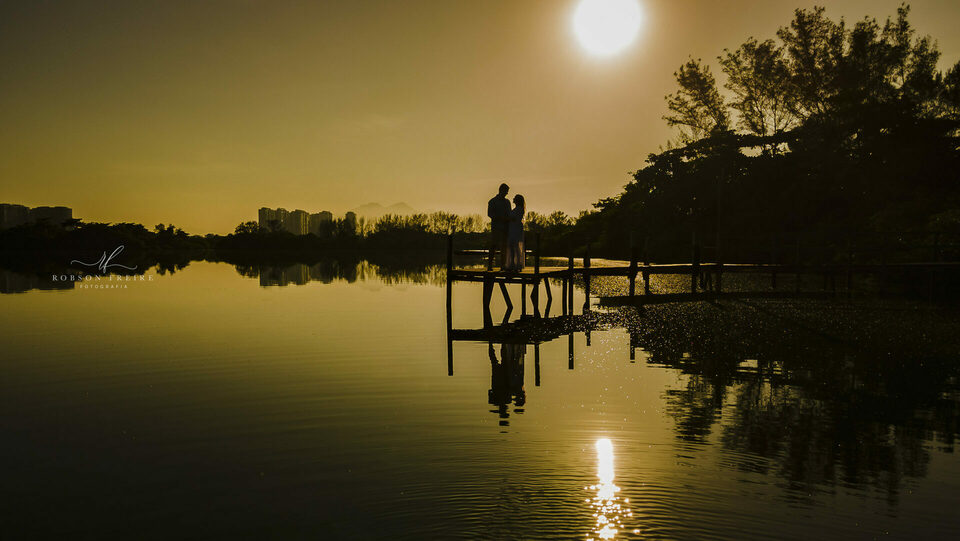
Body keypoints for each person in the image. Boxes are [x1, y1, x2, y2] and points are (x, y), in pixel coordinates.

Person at [486, 183, 511, 270]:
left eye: (507, 192)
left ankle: (503, 266)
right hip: (496, 227)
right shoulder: (492, 201)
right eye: (505, 192)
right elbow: (489, 214)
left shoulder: (507, 202)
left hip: (505, 228)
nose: (506, 194)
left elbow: (509, 214)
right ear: (501, 190)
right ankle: (490, 266)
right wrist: (499, 218)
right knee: (493, 246)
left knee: (504, 247)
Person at [504, 194, 525, 272]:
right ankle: (513, 263)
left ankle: (516, 264)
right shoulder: (516, 209)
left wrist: (507, 218)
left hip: (516, 229)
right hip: (513, 228)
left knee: (515, 247)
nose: (513, 199)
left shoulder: (519, 209)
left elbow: (514, 218)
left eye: (515, 198)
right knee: (512, 247)